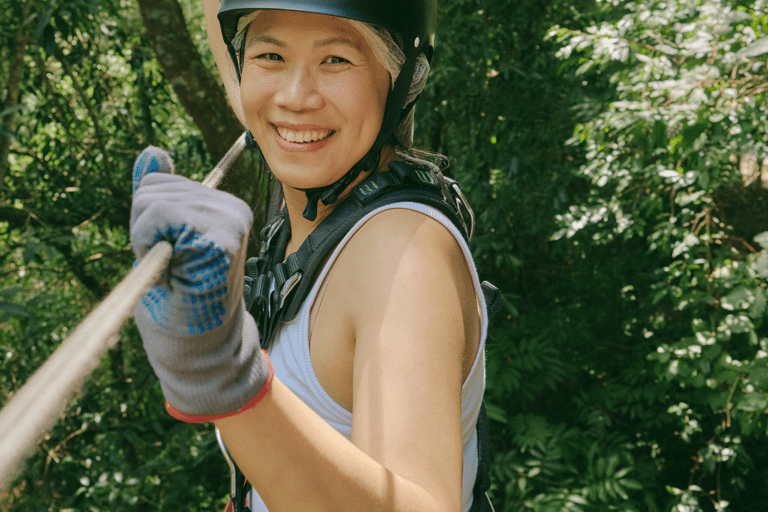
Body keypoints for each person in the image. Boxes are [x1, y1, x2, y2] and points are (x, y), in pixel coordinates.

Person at [129, 0, 491, 510]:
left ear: (401, 80)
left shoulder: (397, 254)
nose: (295, 98)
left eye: (336, 60)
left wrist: (224, 377)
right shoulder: (312, 209)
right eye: (271, 57)